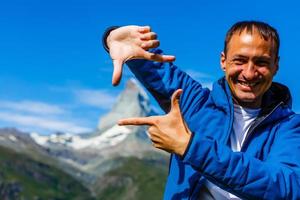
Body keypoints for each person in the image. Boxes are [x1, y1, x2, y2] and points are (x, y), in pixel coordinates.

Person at [102, 21, 300, 199]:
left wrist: (190, 147)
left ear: (276, 66)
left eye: (261, 62)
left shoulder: (290, 126)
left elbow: (285, 188)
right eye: (239, 60)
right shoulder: (194, 103)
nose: (249, 73)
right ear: (223, 61)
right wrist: (112, 37)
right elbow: (150, 63)